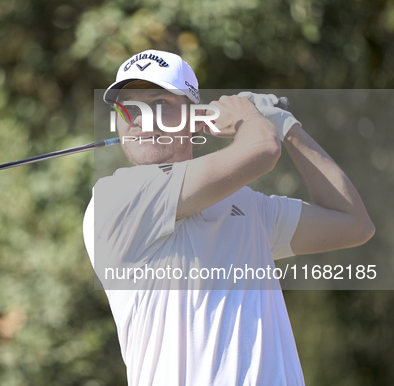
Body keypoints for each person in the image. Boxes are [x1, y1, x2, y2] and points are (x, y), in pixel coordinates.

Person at [82, 49, 375, 385]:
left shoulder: (251, 207)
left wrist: (286, 126)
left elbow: (354, 223)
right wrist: (250, 120)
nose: (140, 118)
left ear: (196, 117)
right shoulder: (117, 198)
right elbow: (263, 150)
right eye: (128, 107)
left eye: (159, 104)